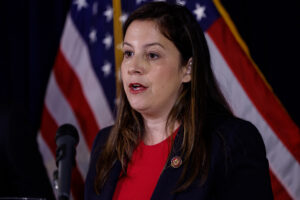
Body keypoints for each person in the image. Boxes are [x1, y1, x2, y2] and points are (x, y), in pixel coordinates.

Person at [85, 2, 273, 199]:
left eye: (152, 55)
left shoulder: (230, 143)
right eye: (129, 53)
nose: (133, 67)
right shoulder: (105, 146)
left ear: (187, 69)